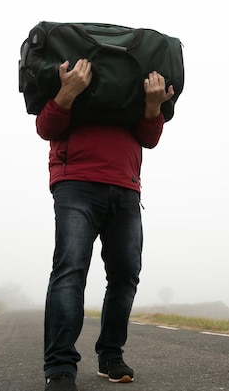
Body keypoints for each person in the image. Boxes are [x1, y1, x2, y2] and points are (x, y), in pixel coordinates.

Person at [36, 58, 174, 391]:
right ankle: (60, 367)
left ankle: (111, 356)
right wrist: (67, 92)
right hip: (76, 183)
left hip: (126, 187)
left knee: (126, 274)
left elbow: (149, 138)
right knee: (70, 270)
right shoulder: (67, 75)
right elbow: (46, 128)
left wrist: (153, 106)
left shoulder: (131, 84)